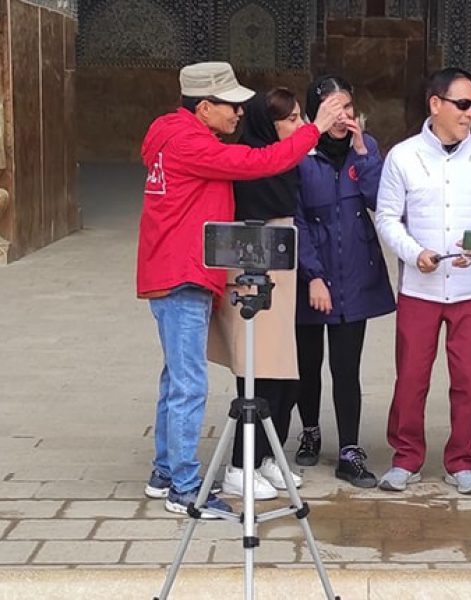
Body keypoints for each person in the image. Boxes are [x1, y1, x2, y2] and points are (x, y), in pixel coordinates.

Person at [137, 62, 341, 516]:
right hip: (183, 273)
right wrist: (315, 130)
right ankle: (185, 489)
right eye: (231, 105)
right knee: (189, 385)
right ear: (204, 107)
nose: (240, 113)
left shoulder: (169, 133)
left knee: (175, 378)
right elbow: (259, 162)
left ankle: (164, 472)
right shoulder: (192, 143)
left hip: (172, 271)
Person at [375, 67, 471, 495]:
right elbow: (386, 217)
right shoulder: (403, 156)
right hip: (421, 287)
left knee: (470, 378)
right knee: (412, 376)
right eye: (463, 105)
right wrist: (415, 253)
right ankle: (406, 457)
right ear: (436, 104)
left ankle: (461, 460)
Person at [292, 75, 396, 488]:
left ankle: (350, 449)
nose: (343, 117)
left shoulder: (365, 150)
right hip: (312, 276)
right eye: (334, 109)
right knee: (307, 363)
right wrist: (313, 276)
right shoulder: (300, 153)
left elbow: (381, 201)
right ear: (316, 112)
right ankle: (311, 429)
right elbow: (295, 219)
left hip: (355, 273)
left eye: (348, 108)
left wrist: (361, 151)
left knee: (346, 366)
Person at [207, 88, 307, 500]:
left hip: (282, 271)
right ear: (270, 124)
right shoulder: (248, 161)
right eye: (293, 120)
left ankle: (267, 456)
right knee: (256, 372)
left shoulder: (286, 163)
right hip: (252, 272)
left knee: (282, 371)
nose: (300, 128)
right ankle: (238, 466)